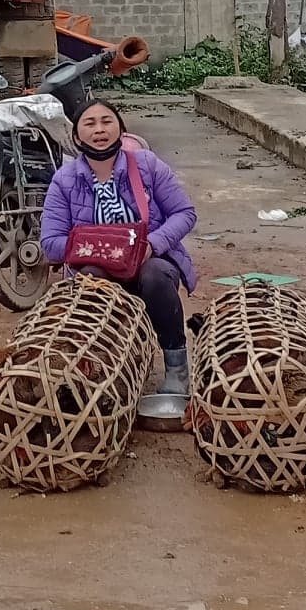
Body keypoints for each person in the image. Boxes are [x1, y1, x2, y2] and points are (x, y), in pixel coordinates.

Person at [40, 99, 199, 394]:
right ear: (76, 136)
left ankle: (177, 367)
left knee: (155, 275)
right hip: (98, 272)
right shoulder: (64, 180)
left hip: (149, 262)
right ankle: (100, 368)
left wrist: (152, 244)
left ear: (121, 129)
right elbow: (50, 244)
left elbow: (185, 213)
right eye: (89, 123)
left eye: (106, 121)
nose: (99, 129)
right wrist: (96, 248)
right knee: (89, 277)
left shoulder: (148, 166)